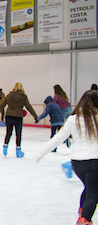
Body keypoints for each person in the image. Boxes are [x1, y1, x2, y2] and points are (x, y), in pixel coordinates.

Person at [36, 90, 98, 225]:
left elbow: (58, 138)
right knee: (94, 193)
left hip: (77, 163)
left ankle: (83, 210)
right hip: (94, 161)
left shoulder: (73, 119)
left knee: (89, 187)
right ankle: (84, 219)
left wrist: (41, 153)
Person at [0, 82, 38, 157]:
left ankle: (5, 148)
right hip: (18, 117)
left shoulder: (9, 96)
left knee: (8, 132)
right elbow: (29, 107)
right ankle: (18, 150)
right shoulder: (23, 97)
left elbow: (2, 105)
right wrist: (35, 116)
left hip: (9, 115)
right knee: (18, 133)